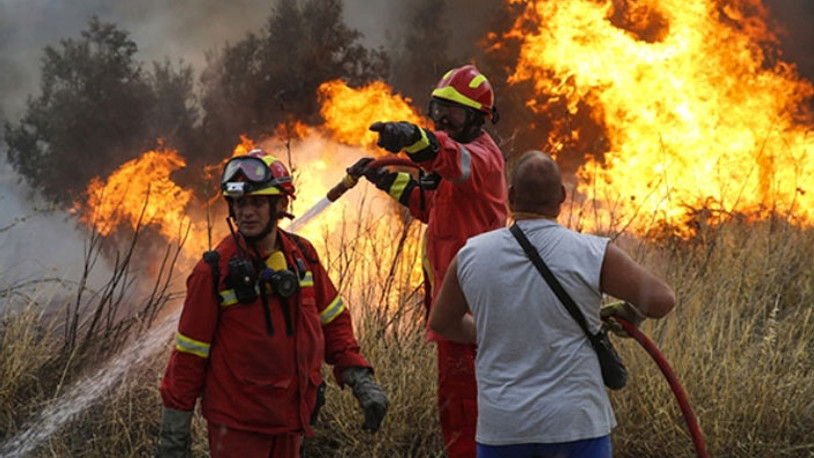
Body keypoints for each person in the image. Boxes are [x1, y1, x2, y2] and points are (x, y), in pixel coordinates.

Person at [428, 150, 676, 458]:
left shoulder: (472, 254)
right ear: (562, 196)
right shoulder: (591, 252)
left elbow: (442, 323)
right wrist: (629, 312)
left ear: (511, 196)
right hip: (576, 426)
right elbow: (662, 301)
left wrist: (498, 328)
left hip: (504, 429)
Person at [156, 148, 389, 458]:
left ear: (280, 204)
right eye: (239, 203)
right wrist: (174, 437)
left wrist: (360, 379)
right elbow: (189, 356)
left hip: (292, 423)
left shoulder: (303, 257)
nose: (245, 212)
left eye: (256, 202)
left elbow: (334, 323)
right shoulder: (214, 271)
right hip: (238, 430)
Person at [348, 64, 508, 457]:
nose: (441, 119)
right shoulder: (452, 167)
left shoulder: (481, 159)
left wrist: (413, 137)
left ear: (477, 117)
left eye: (451, 112)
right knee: (456, 405)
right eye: (437, 109)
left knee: (467, 408)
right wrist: (385, 179)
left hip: (473, 309)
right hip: (453, 306)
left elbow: (449, 157)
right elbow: (432, 206)